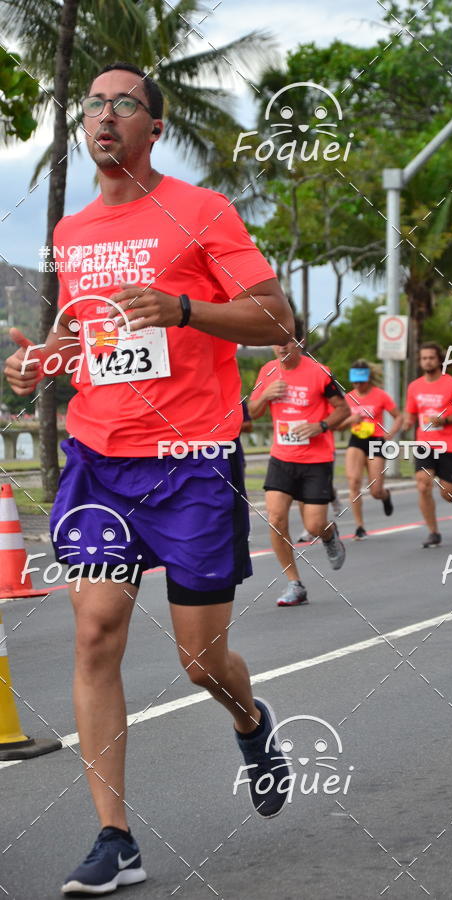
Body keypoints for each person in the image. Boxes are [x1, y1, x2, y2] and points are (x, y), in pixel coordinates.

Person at [4, 62, 295, 895]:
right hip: (99, 462)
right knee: (95, 634)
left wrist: (184, 310)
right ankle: (114, 836)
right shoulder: (71, 231)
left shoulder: (201, 211)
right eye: (92, 103)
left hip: (192, 462)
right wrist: (41, 364)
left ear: (153, 126)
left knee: (203, 663)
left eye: (123, 103)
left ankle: (250, 721)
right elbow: (82, 337)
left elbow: (279, 317)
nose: (103, 115)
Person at [249, 317, 350, 606]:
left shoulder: (320, 373)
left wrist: (321, 426)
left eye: (287, 340)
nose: (281, 347)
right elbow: (254, 412)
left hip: (316, 460)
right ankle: (294, 583)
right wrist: (265, 395)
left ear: (300, 342)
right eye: (276, 341)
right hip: (281, 458)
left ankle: (329, 535)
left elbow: (342, 410)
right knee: (277, 518)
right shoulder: (267, 372)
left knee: (315, 524)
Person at [403, 342, 452, 548]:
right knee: (423, 485)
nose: (427, 361)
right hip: (424, 444)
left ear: (439, 360)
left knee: (447, 491)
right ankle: (433, 532)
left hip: (449, 445)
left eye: (431, 358)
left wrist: (446, 420)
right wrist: (408, 421)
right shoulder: (414, 386)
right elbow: (411, 411)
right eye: (424, 358)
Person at [340, 359, 403, 539]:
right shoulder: (349, 398)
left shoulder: (380, 395)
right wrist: (350, 421)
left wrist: (391, 433)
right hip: (356, 440)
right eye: (355, 381)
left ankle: (385, 496)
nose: (358, 384)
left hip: (376, 441)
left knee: (375, 491)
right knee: (353, 483)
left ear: (368, 378)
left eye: (361, 381)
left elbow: (398, 416)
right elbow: (337, 425)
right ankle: (359, 526)